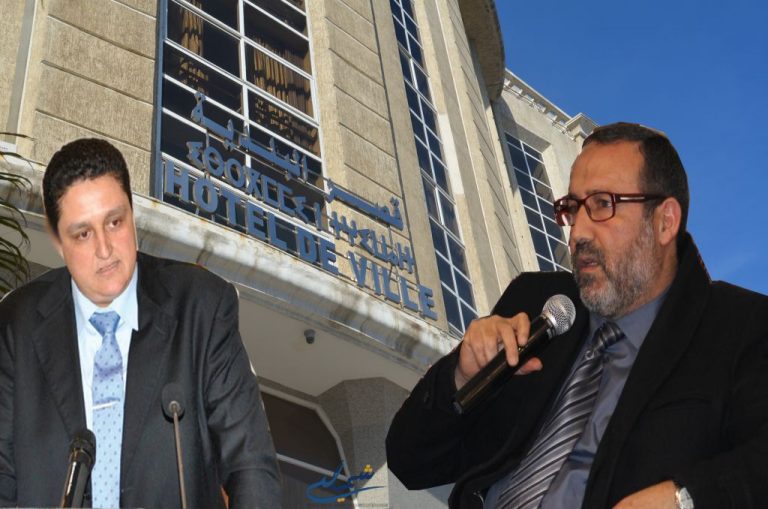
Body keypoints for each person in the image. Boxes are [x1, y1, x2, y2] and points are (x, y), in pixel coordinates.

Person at [386, 122, 768, 509]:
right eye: (571, 209)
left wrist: (683, 498)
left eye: (602, 204)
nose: (577, 232)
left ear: (665, 221)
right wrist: (462, 376)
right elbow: (410, 462)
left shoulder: (741, 327)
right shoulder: (534, 302)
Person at [0, 138, 281, 508]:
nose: (105, 249)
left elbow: (250, 465)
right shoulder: (16, 323)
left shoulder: (201, 306)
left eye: (115, 222)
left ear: (133, 215)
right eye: (83, 233)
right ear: (58, 241)